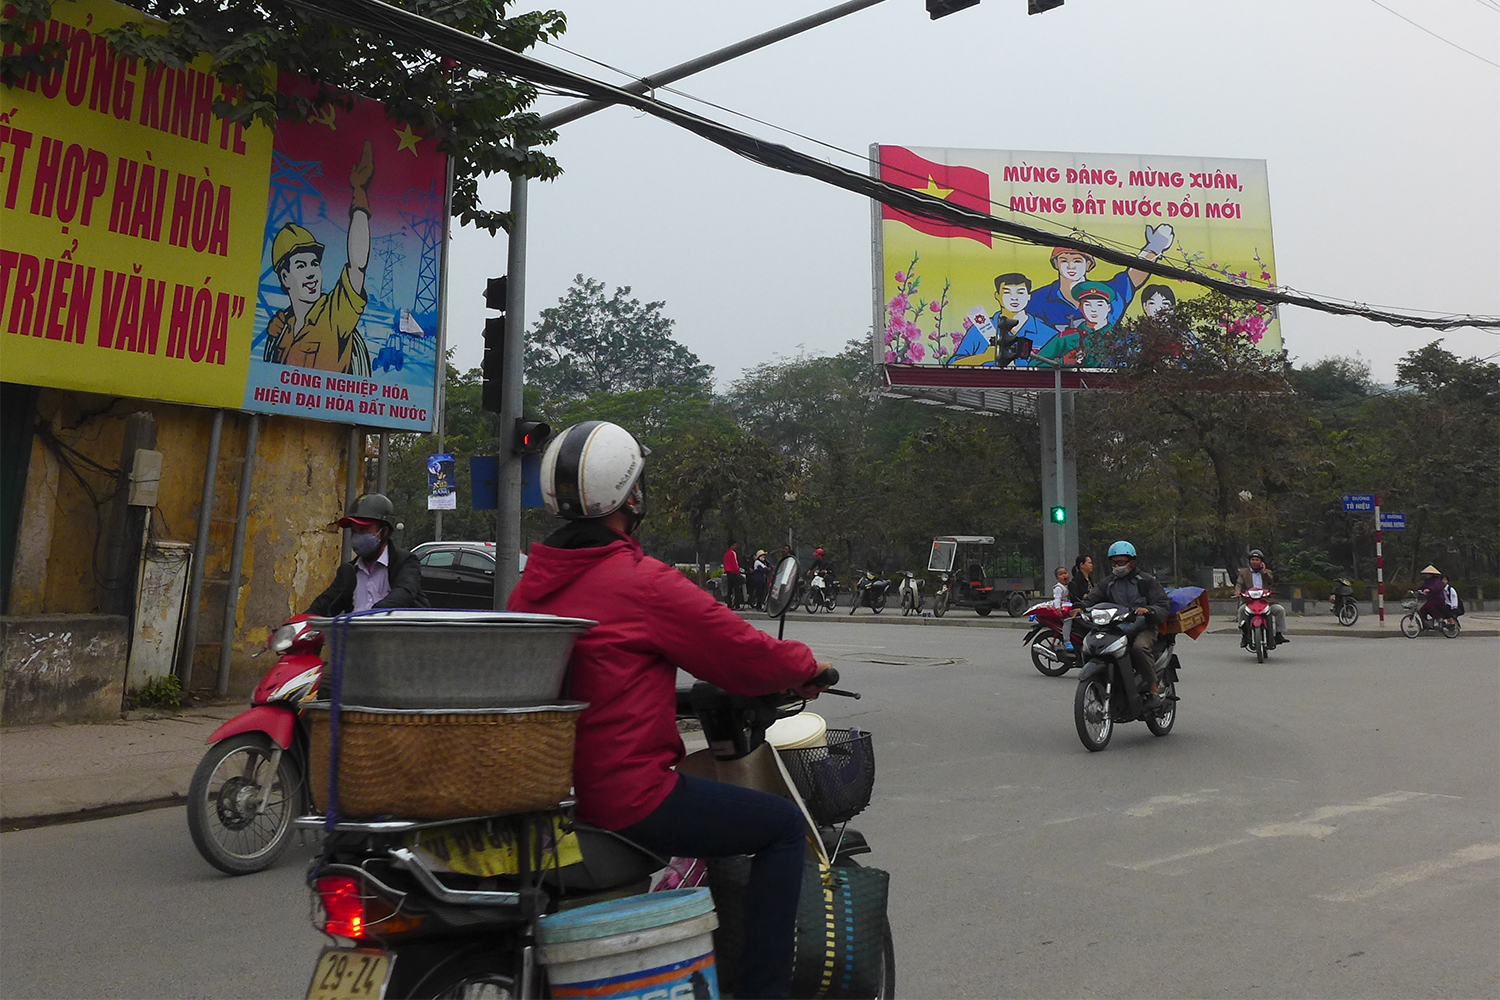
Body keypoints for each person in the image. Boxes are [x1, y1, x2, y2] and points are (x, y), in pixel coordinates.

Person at [508, 420, 834, 999]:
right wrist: (807, 666)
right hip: (624, 797)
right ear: (630, 497)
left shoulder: (532, 583)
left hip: (550, 793)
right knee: (782, 829)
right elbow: (738, 653)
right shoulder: (640, 582)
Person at [262, 141, 375, 375]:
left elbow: (357, 264)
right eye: (301, 265)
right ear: (285, 277)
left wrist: (359, 195)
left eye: (314, 264)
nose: (312, 272)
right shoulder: (282, 328)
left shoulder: (335, 315)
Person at [1025, 225, 1175, 333]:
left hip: (1108, 372)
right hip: (1052, 371)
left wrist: (1154, 248)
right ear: (1056, 264)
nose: (1071, 266)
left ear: (1088, 264)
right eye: (1064, 261)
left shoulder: (1108, 293)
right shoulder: (1037, 299)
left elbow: (1133, 276)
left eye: (1077, 261)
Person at [1077, 540, 1170, 708]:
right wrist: (1079, 608)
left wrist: (1149, 610)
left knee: (1139, 648)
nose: (1118, 566)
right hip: (1117, 627)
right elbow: (1092, 599)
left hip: (1144, 626)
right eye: (1115, 562)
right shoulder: (1108, 582)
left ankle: (1153, 688)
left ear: (1132, 562)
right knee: (1093, 645)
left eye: (1122, 562)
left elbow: (1162, 604)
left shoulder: (1146, 581)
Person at [306, 493, 426, 615]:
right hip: (355, 633)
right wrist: (300, 622)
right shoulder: (349, 572)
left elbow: (404, 593)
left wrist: (372, 615)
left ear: (384, 531)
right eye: (354, 531)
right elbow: (323, 604)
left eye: (363, 530)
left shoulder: (405, 562)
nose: (357, 536)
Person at [1033, 281, 1116, 367]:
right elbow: (1035, 364)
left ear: (1108, 308)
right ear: (1080, 307)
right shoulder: (1067, 338)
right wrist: (1063, 362)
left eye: (1099, 305)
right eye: (1087, 305)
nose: (1093, 310)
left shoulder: (1120, 338)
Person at [1234, 549, 1289, 646]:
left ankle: (1279, 634)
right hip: (1250, 602)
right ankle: (1245, 635)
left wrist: (1264, 572)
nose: (1254, 562)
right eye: (1253, 559)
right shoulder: (1243, 573)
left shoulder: (1267, 572)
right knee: (1241, 611)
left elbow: (1271, 582)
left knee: (1279, 610)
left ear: (1261, 562)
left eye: (1257, 560)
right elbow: (1239, 583)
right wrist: (1237, 591)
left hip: (1266, 602)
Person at [1065, 553, 1094, 651]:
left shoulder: (1089, 578)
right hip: (1082, 607)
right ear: (1082, 565)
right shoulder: (1078, 579)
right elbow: (1081, 596)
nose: (1091, 565)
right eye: (1089, 563)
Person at [723, 541, 744, 609]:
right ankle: (737, 604)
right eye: (735, 545)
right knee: (736, 589)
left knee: (730, 589)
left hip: (728, 573)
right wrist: (738, 573)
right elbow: (735, 564)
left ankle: (729, 604)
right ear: (732, 546)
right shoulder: (733, 553)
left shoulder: (726, 554)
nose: (736, 547)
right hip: (733, 573)